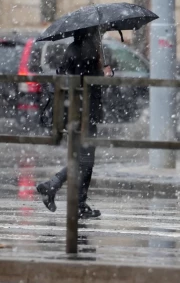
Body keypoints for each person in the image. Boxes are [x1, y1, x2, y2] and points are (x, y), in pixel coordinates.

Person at [36, 27, 113, 219]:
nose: (101, 35)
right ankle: (53, 186)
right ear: (92, 33)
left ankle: (77, 202)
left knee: (84, 158)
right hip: (85, 111)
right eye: (99, 33)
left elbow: (68, 77)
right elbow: (87, 82)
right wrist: (104, 76)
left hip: (74, 110)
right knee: (84, 159)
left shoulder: (73, 48)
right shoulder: (88, 50)